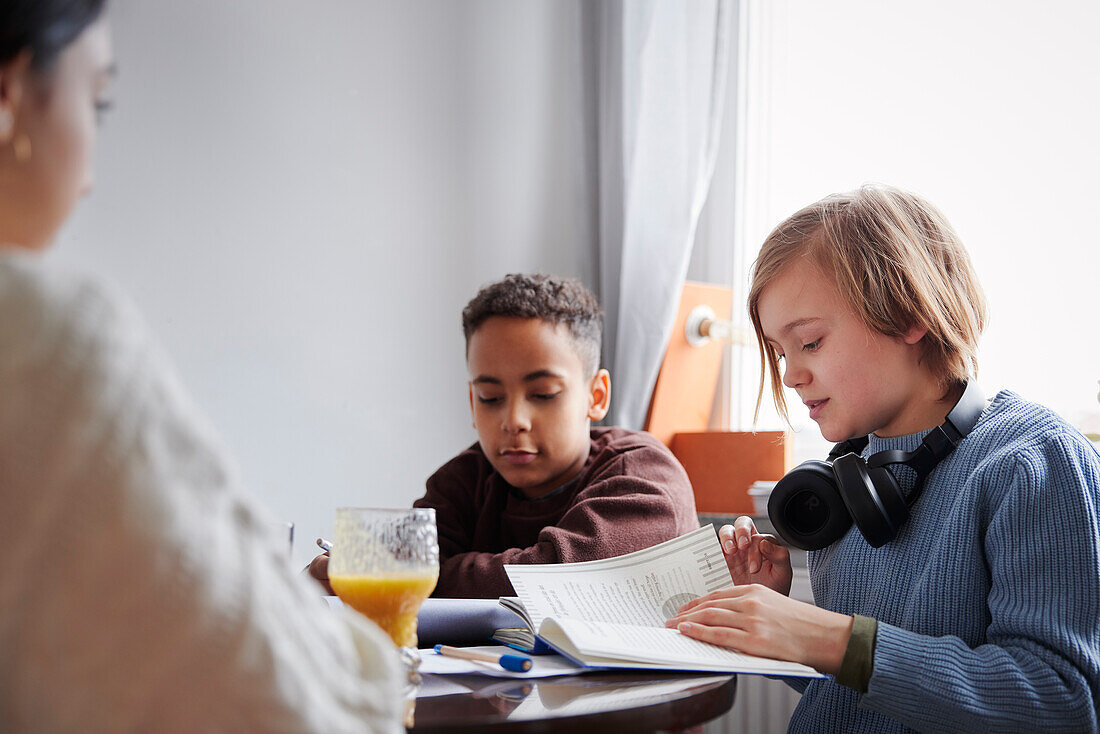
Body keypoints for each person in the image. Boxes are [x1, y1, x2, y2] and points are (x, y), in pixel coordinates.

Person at [0, 3, 401, 731]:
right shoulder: (54, 345)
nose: (88, 176)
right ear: (10, 97)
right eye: (98, 102)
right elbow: (288, 703)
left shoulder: (626, 467)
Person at [667, 185, 1100, 732]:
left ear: (907, 315)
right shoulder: (850, 475)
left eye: (811, 342)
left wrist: (826, 637)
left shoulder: (1033, 462)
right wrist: (781, 623)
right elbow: (865, 695)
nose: (790, 374)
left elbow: (1061, 702)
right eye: (780, 352)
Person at [310, 273, 699, 598]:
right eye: (491, 397)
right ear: (471, 401)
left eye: (543, 394)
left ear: (596, 397)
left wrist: (416, 578)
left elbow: (559, 582)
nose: (513, 420)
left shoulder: (643, 476)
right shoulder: (461, 482)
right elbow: (397, 569)